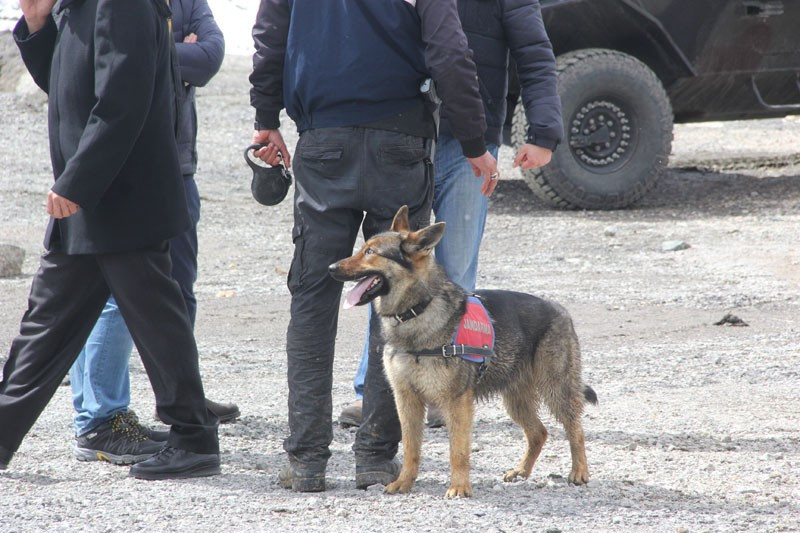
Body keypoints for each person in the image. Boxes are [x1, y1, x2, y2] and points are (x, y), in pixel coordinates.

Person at [249, 0, 498, 492]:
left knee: (312, 300)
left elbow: (269, 37)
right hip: (400, 144)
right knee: (401, 299)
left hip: (324, 141)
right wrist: (474, 142)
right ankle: (376, 457)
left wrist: (265, 115)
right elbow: (450, 51)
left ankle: (306, 461)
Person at [0, 0, 219, 480]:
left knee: (158, 323)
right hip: (91, 202)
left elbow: (122, 101)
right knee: (46, 323)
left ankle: (194, 437)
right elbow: (65, 84)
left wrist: (77, 182)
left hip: (122, 199)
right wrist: (37, 23)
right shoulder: (77, 6)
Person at [339, 0, 564, 429]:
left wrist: (543, 131)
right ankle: (377, 395)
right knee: (388, 269)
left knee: (456, 275)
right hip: (401, 134)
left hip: (470, 143)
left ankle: (447, 390)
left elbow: (534, 52)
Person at [68, 0, 239, 467]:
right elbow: (95, 63)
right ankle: (100, 418)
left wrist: (155, 52)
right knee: (113, 297)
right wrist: (168, 50)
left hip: (176, 168)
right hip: (120, 169)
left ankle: (181, 405)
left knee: (174, 291)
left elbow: (210, 56)